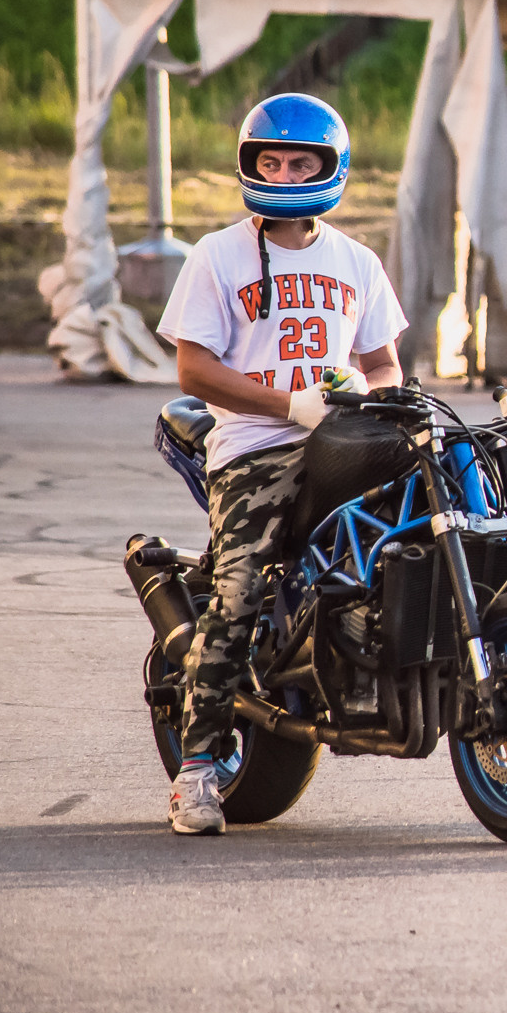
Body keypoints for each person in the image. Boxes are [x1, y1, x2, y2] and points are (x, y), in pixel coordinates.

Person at [154, 93, 408, 836]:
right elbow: (194, 370)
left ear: (330, 168)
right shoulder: (217, 255)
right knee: (239, 589)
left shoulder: (356, 261)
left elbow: (384, 364)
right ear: (249, 165)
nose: (284, 174)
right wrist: (289, 405)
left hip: (340, 438)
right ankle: (196, 770)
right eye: (270, 161)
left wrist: (366, 394)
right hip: (253, 447)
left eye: (300, 163)